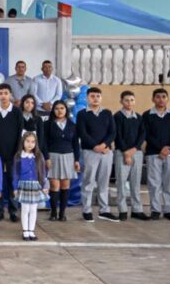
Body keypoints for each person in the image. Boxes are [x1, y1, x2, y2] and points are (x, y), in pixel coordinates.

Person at [77, 87, 117, 223]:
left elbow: (113, 132)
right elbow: (82, 133)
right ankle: (87, 210)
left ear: (101, 98)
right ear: (87, 98)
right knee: (88, 181)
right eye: (92, 96)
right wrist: (95, 146)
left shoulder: (107, 113)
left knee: (104, 182)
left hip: (106, 152)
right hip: (90, 151)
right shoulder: (82, 114)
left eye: (98, 96)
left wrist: (105, 145)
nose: (95, 98)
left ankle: (104, 210)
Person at [143, 88, 170, 221]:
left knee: (169, 183)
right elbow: (146, 134)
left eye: (164, 96)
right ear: (153, 99)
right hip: (153, 154)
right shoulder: (147, 115)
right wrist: (161, 148)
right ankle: (155, 210)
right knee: (154, 183)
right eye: (158, 97)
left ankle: (168, 210)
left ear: (167, 99)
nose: (161, 99)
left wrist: (168, 148)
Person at [0, 83, 22, 222]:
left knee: (13, 182)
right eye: (1, 93)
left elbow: (20, 133)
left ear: (10, 95)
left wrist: (17, 152)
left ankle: (13, 211)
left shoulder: (16, 112)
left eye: (6, 93)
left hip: (13, 154)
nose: (3, 96)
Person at [113, 91, 149, 221]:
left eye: (132, 100)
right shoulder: (117, 116)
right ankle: (122, 210)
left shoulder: (138, 117)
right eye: (126, 100)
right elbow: (117, 135)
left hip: (136, 153)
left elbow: (142, 134)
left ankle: (137, 210)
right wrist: (126, 152)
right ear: (121, 101)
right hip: (121, 153)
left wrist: (134, 149)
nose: (129, 102)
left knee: (135, 182)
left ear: (135, 101)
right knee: (121, 182)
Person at [45, 100, 80, 222]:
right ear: (53, 111)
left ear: (66, 110)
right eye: (56, 108)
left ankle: (62, 213)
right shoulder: (47, 124)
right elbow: (43, 143)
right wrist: (46, 158)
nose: (59, 111)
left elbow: (75, 144)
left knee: (65, 185)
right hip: (53, 156)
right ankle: (53, 212)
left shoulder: (72, 125)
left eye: (62, 108)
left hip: (68, 157)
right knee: (54, 185)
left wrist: (77, 160)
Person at [14, 132, 49, 241]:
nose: (30, 144)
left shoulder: (39, 156)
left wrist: (44, 185)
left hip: (35, 185)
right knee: (25, 209)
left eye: (33, 142)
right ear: (23, 142)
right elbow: (15, 173)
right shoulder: (19, 156)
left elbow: (43, 172)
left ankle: (31, 230)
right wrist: (15, 187)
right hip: (23, 185)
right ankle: (25, 231)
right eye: (27, 141)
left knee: (33, 209)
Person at [19, 95, 46, 160]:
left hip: (34, 153)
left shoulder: (38, 119)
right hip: (19, 151)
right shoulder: (17, 117)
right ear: (22, 103)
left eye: (32, 103)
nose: (29, 105)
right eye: (27, 102)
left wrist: (38, 152)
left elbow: (41, 138)